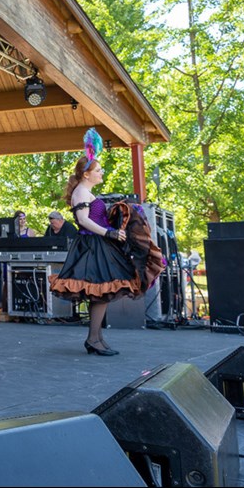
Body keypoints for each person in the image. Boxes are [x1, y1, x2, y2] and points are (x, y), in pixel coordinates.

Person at [49, 128, 160, 356]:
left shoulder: (87, 192)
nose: (102, 172)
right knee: (100, 292)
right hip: (92, 247)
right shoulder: (81, 192)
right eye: (98, 170)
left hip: (100, 245)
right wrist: (108, 233)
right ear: (86, 174)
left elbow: (95, 217)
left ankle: (96, 337)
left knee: (102, 293)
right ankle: (93, 339)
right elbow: (83, 220)